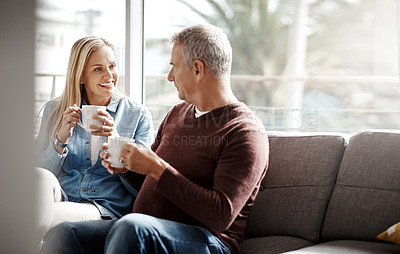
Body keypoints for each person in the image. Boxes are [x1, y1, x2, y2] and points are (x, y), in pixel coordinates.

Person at [41, 24, 269, 254]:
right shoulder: (177, 114)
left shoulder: (244, 131)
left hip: (206, 239)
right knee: (64, 233)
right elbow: (150, 183)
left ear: (197, 70)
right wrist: (126, 170)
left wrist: (157, 167)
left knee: (132, 227)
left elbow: (221, 215)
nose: (169, 77)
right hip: (143, 229)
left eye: (174, 67)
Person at [35, 36, 154, 244]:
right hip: (62, 196)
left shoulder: (137, 115)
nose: (110, 75)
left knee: (33, 216)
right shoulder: (54, 111)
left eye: (112, 66)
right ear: (81, 76)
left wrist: (115, 139)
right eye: (98, 69)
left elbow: (143, 187)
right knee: (39, 177)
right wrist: (60, 140)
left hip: (103, 207)